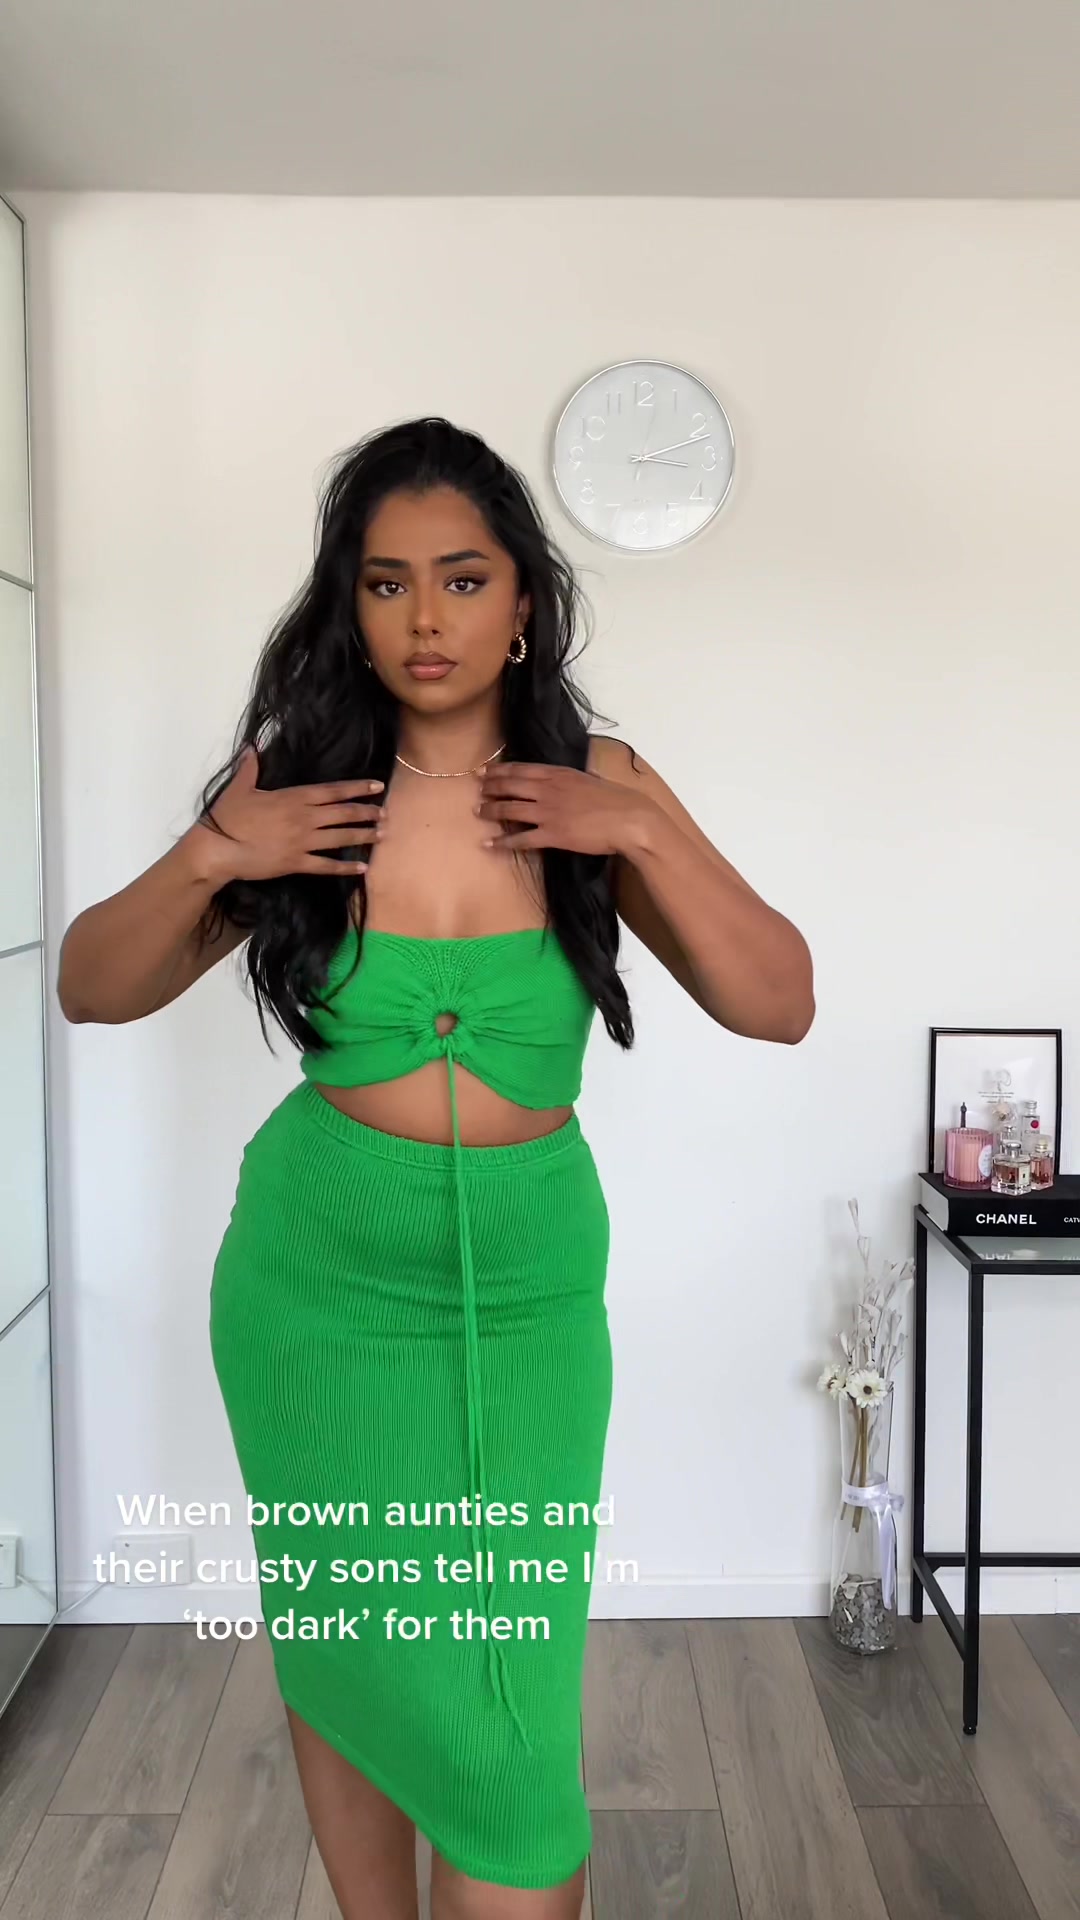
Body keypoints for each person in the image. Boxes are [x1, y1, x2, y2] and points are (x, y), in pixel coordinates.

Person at [57, 417, 814, 1920]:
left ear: (523, 599)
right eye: (388, 582)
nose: (426, 618)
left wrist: (640, 827)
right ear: (349, 603)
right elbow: (91, 983)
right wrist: (212, 852)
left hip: (529, 1302)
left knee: (510, 1718)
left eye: (463, 580)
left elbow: (778, 1001)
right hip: (314, 1291)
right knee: (349, 1640)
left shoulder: (600, 785)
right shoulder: (304, 791)